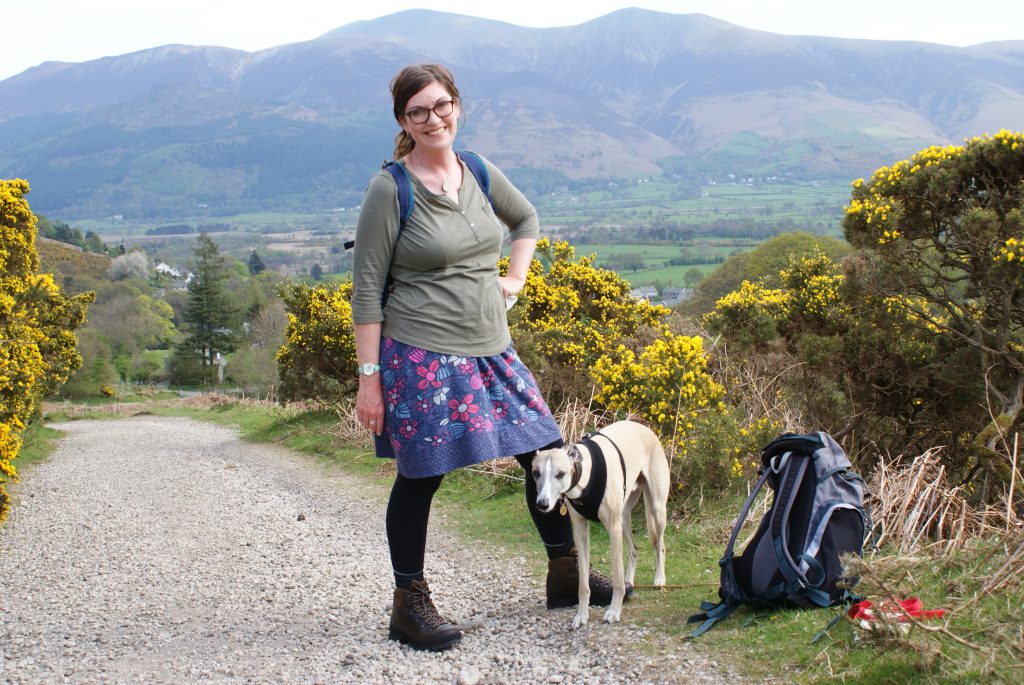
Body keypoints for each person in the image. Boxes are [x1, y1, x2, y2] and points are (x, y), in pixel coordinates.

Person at [351, 63, 629, 652]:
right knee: (421, 477)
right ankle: (409, 604)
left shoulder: (475, 168)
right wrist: (368, 380)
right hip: (422, 354)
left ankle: (565, 573)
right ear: (403, 120)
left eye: (442, 105)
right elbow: (368, 290)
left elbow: (525, 219)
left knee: (544, 451)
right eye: (419, 111)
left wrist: (516, 279)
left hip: (492, 348)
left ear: (457, 105)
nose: (434, 118)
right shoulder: (390, 189)